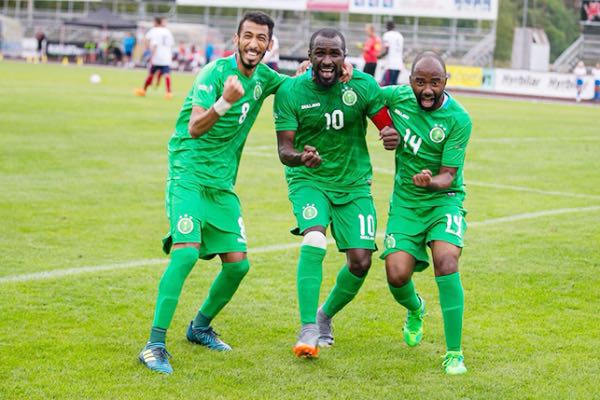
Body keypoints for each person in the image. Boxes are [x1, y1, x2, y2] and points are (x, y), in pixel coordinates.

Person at [273, 28, 399, 358]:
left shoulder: (362, 85)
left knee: (360, 262)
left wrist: (389, 135)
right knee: (314, 238)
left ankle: (324, 316)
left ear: (345, 56)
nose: (327, 60)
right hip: (309, 179)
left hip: (354, 183)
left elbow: (385, 124)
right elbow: (284, 149)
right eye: (320, 53)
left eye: (334, 54)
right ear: (310, 56)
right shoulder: (291, 91)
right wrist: (301, 157)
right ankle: (308, 329)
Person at [379, 51, 472, 375]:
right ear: (410, 82)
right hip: (406, 203)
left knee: (446, 261)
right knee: (397, 275)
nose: (428, 89)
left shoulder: (459, 119)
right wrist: (384, 128)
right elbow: (364, 96)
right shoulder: (397, 97)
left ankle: (454, 354)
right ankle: (416, 309)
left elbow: (448, 175)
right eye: (421, 82)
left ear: (446, 81)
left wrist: (431, 182)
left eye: (435, 82)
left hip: (443, 198)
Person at [134, 17, 175, 99]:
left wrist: (150, 54)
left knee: (151, 74)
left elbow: (153, 43)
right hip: (166, 56)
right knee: (167, 74)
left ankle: (143, 90)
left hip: (157, 56)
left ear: (156, 22)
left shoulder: (154, 31)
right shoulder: (167, 31)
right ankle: (168, 93)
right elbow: (171, 44)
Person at [379, 21, 404, 86]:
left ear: (387, 27)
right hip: (399, 64)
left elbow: (387, 50)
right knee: (394, 85)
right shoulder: (400, 35)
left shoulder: (387, 35)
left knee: (386, 85)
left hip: (390, 65)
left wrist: (379, 56)